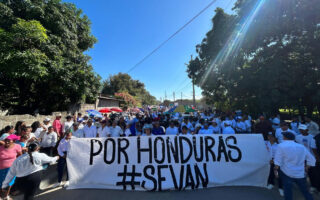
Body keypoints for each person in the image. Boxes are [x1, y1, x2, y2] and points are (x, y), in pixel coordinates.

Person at [274, 132, 315, 200]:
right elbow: (312, 159)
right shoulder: (301, 146)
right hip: (300, 173)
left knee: (288, 191)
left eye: (283, 136)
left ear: (285, 138)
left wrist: (276, 171)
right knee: (305, 191)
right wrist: (307, 167)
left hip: (287, 172)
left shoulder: (281, 146)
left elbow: (277, 161)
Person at [295, 124, 319, 193]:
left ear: (307, 130)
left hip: (311, 158)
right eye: (300, 130)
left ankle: (313, 186)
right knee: (302, 172)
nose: (301, 131)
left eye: (303, 130)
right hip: (301, 158)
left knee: (312, 173)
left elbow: (314, 148)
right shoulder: (297, 137)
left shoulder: (312, 137)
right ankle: (303, 186)